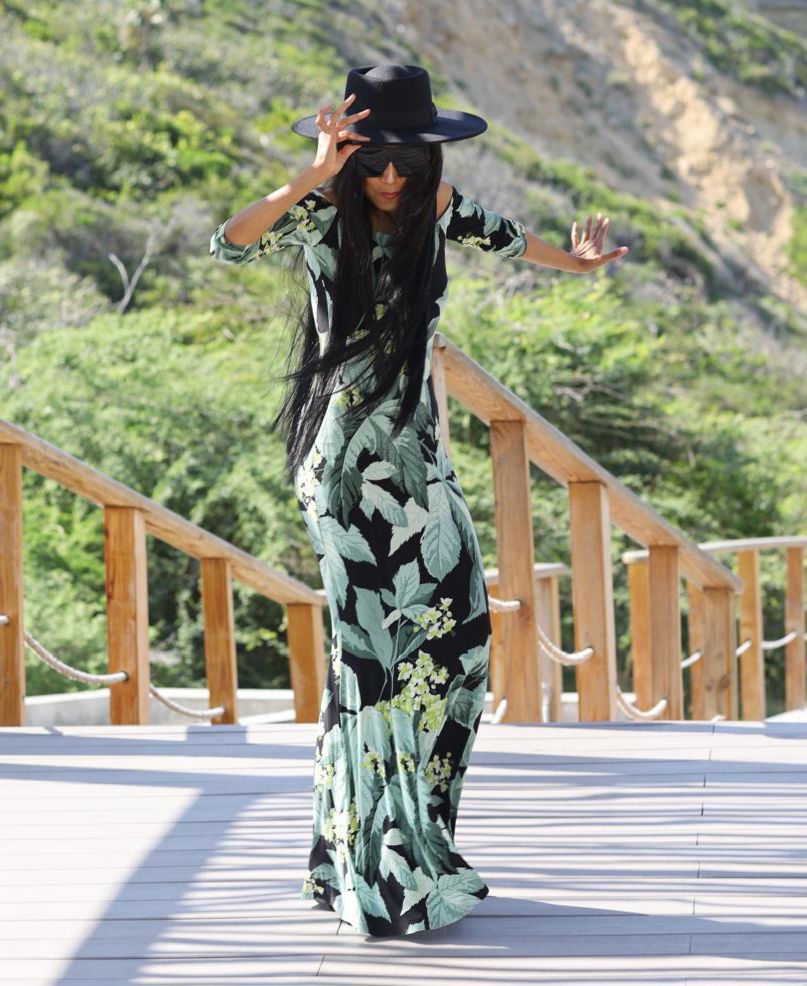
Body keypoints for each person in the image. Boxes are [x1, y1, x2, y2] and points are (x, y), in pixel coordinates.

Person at [210, 64, 629, 938]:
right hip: (344, 466)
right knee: (371, 660)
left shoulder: (435, 208)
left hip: (416, 459)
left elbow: (509, 239)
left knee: (459, 631)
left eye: (406, 160)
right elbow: (232, 243)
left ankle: (401, 839)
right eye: (374, 161)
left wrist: (577, 263)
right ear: (350, 154)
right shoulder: (321, 212)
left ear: (430, 156)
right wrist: (311, 177)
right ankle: (378, 871)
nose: (391, 177)